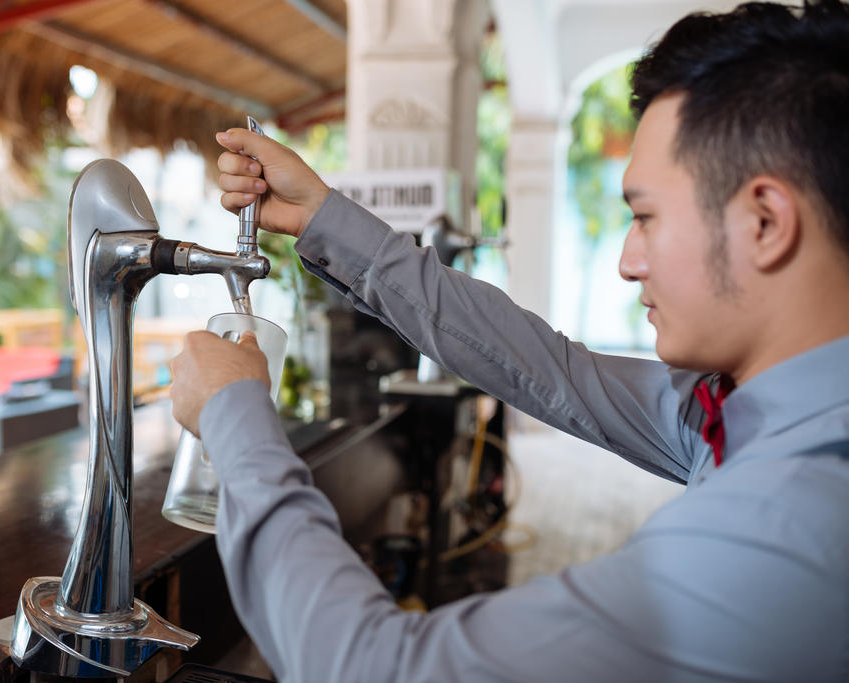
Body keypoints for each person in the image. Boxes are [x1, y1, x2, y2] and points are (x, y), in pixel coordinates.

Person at [167, 1, 849, 680]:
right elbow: (553, 371)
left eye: (645, 217)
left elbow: (372, 666)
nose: (627, 260)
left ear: (765, 221)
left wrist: (235, 415)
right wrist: (322, 216)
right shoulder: (747, 412)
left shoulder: (792, 525)